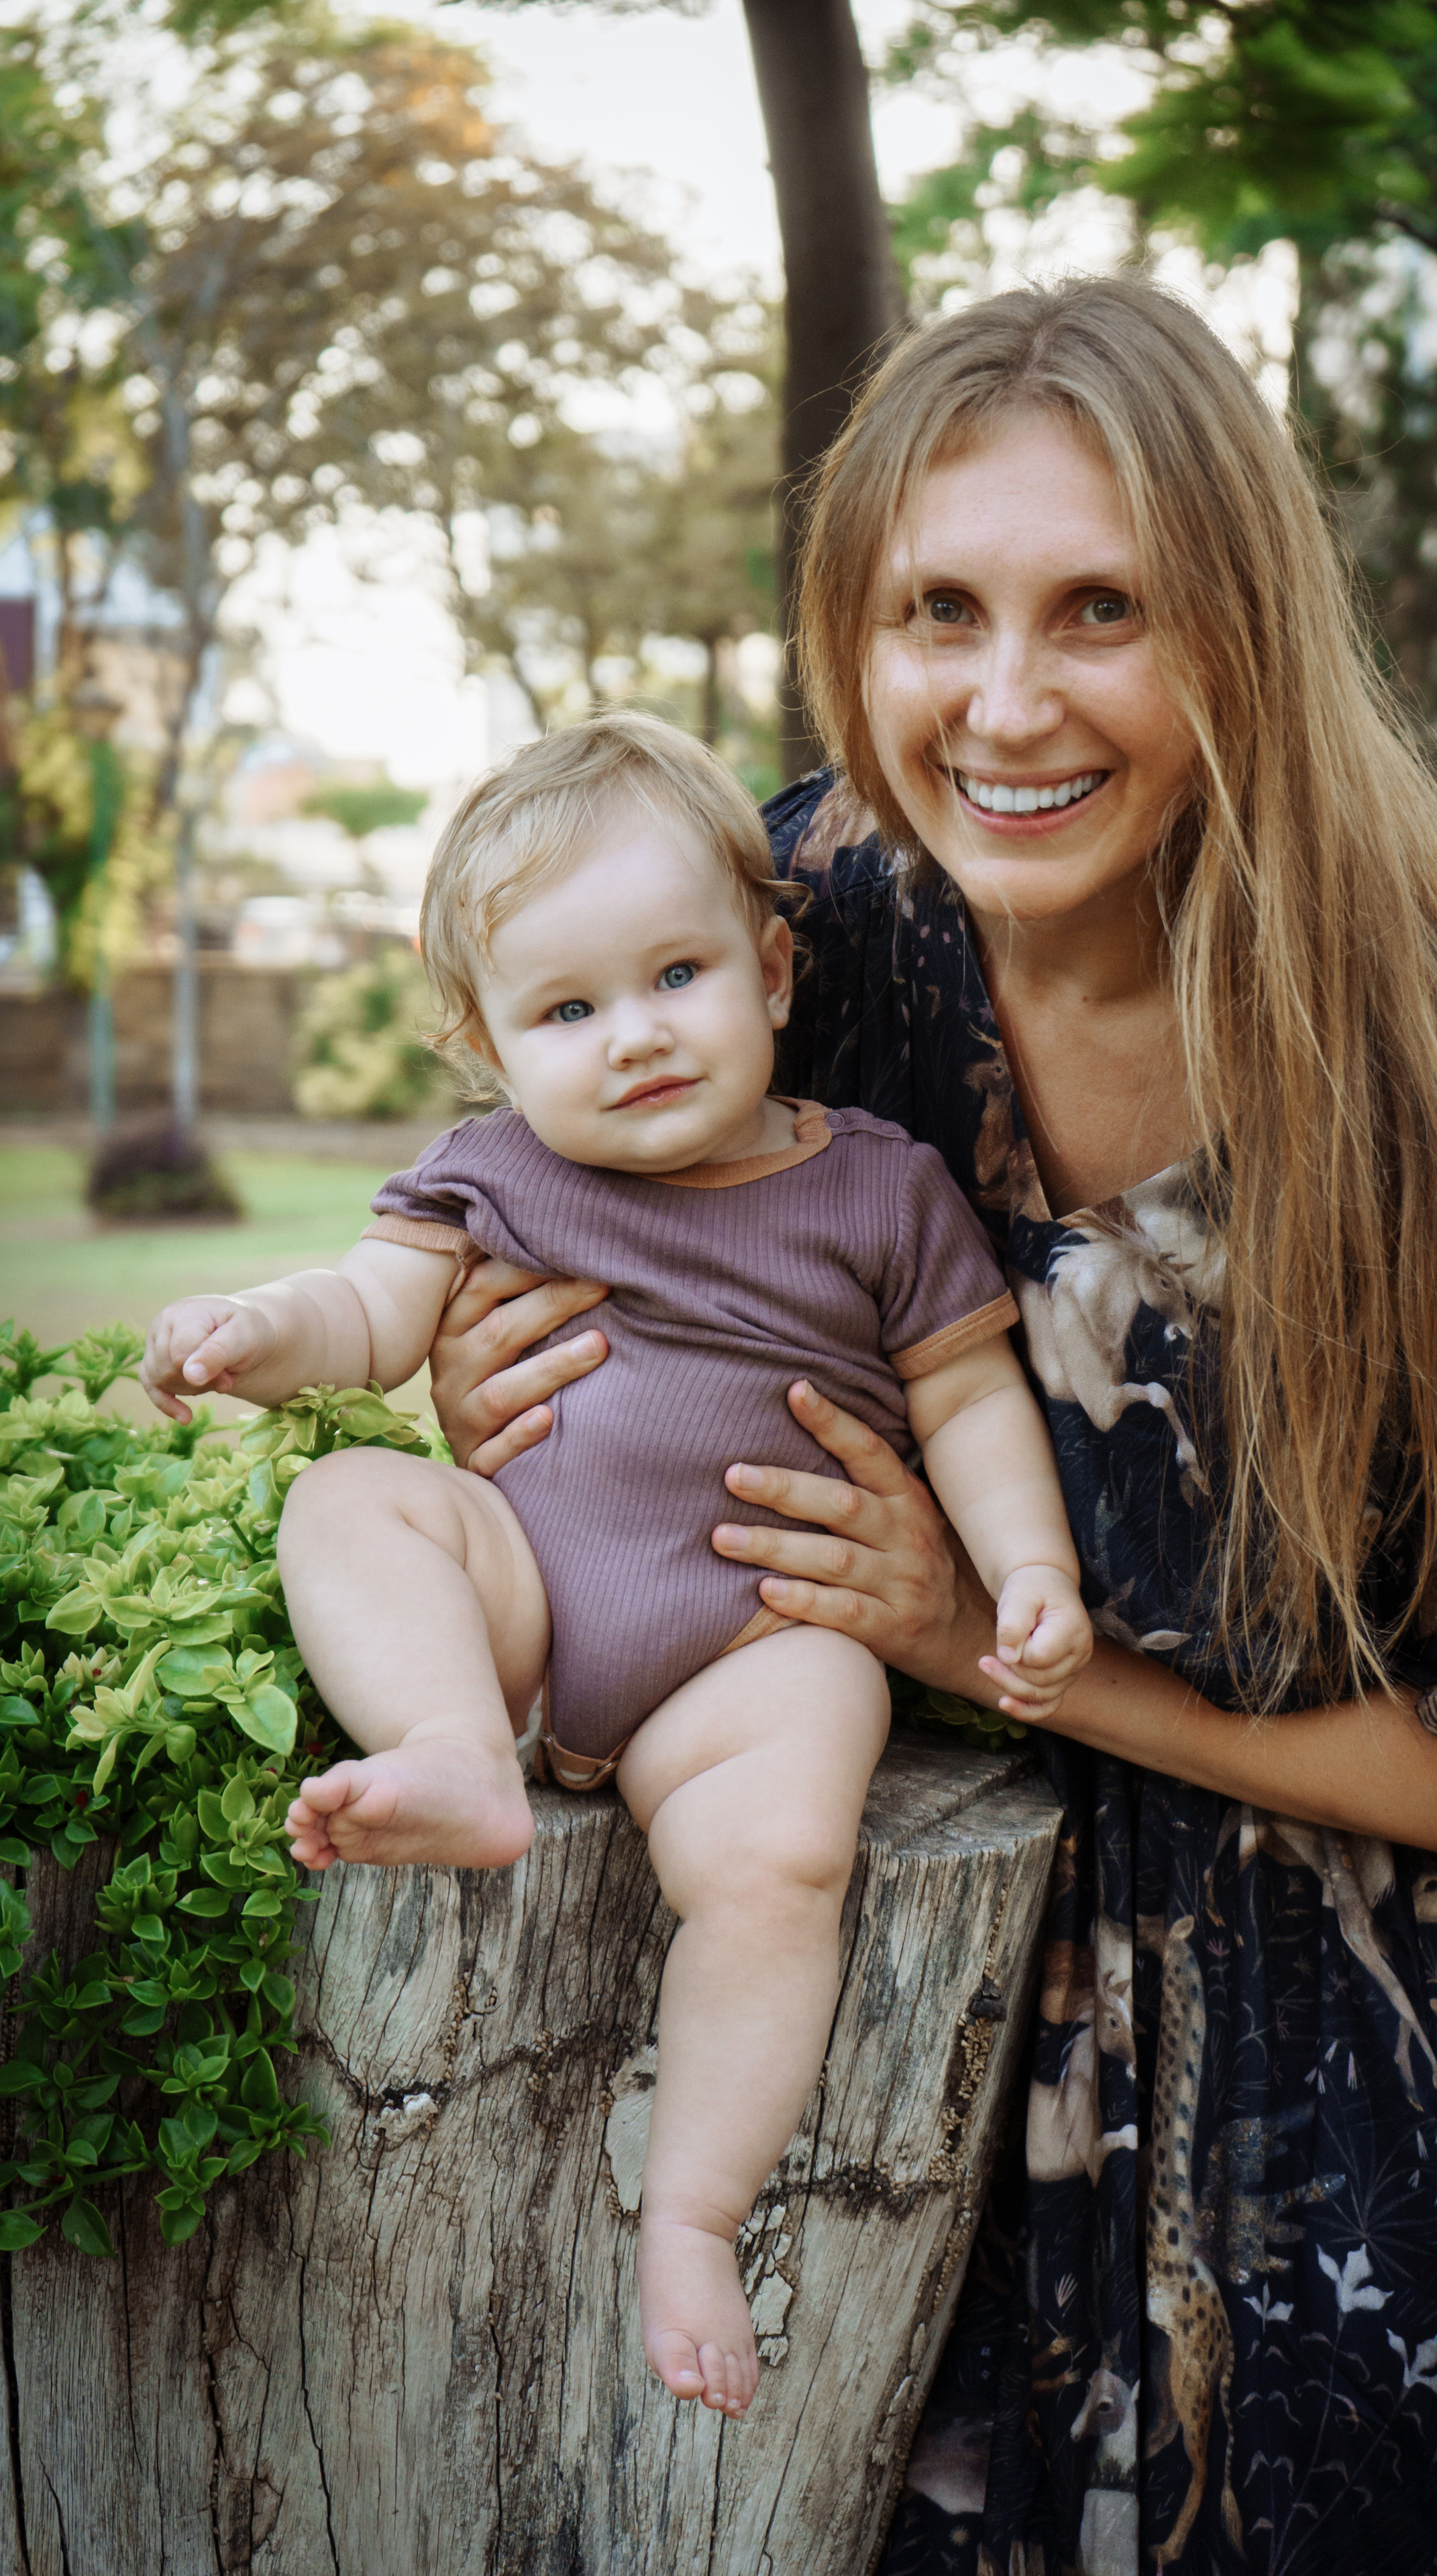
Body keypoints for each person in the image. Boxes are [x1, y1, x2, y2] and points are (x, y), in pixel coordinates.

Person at [425, 277, 1437, 2574]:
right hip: (939, 2092)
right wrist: (479, 1344)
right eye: (939, 609)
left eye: (1100, 608)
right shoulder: (816, 923)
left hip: (1374, 2159)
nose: (1004, 704)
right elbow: (540, 1148)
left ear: (1235, 628)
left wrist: (1008, 1648)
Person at [138, 711, 1092, 2429]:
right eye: (567, 1011)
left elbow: (963, 1394)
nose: (633, 1038)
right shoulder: (493, 1177)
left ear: (773, 966)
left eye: (674, 975)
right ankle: (450, 1747)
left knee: (784, 1850)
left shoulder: (875, 1188)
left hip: (743, 1650)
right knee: (359, 1500)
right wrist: (253, 1329)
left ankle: (692, 2213)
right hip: (525, 1609)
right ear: (487, 1046)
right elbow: (364, 1319)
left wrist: (1022, 1563)